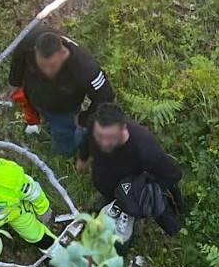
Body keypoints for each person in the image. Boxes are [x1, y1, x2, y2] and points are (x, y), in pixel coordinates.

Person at [77, 102, 183, 238]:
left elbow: (173, 175)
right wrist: (83, 157)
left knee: (154, 211)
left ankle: (171, 231)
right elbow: (87, 138)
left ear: (123, 129)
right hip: (106, 185)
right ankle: (112, 203)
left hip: (129, 188)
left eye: (109, 137)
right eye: (99, 136)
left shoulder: (144, 147)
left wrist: (143, 192)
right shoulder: (94, 123)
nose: (103, 143)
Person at [7, 25, 114, 155]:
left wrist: (83, 119)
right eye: (43, 65)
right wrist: (14, 83)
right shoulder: (30, 40)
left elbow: (106, 98)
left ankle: (70, 150)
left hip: (63, 111)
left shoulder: (86, 68)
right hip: (34, 96)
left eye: (52, 66)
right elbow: (18, 60)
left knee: (64, 143)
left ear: (62, 53)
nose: (47, 72)